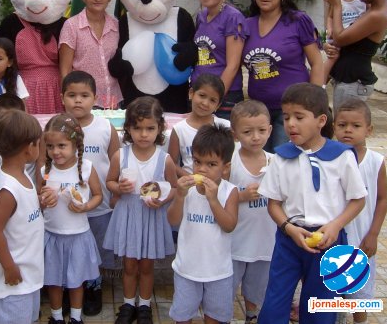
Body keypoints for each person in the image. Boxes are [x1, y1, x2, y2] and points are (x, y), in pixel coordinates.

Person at [257, 83, 367, 324]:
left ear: (321, 120)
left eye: (299, 117)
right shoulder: (281, 157)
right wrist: (288, 228)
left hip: (329, 242)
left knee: (320, 309)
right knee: (274, 304)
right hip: (289, 239)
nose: (290, 124)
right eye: (286, 117)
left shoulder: (342, 156)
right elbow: (273, 204)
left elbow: (358, 199)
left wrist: (336, 225)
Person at [104, 97, 176, 324]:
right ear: (127, 128)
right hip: (128, 215)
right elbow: (109, 181)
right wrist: (119, 188)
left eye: (150, 128)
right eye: (137, 128)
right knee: (129, 265)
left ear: (160, 128)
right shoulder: (121, 155)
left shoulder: (165, 159)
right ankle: (128, 304)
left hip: (151, 216)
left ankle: (144, 305)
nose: (143, 134)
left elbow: (174, 187)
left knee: (146, 266)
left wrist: (162, 200)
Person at [242, 0, 324, 152]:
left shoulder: (298, 21)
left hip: (292, 110)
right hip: (258, 111)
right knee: (259, 161)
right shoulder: (246, 25)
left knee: (283, 157)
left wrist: (316, 103)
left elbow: (317, 63)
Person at [60, 71, 120, 315]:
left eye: (84, 95)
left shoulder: (105, 127)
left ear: (95, 98)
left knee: (96, 249)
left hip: (99, 204)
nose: (78, 100)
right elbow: (45, 164)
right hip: (64, 208)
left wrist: (116, 192)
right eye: (71, 95)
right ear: (62, 97)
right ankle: (69, 288)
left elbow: (117, 161)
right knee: (68, 248)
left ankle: (94, 287)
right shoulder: (56, 127)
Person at [168, 124, 239, 324]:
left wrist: (213, 200)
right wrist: (179, 196)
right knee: (182, 317)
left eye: (211, 164)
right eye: (197, 161)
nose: (201, 169)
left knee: (215, 318)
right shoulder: (187, 190)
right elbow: (172, 220)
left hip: (218, 272)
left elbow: (229, 225)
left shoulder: (229, 192)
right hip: (186, 269)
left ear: (225, 168)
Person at [38, 114, 103, 324]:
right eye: (50, 146)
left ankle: (76, 317)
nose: (55, 151)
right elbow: (38, 200)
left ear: (76, 144)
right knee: (54, 281)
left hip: (78, 235)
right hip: (53, 235)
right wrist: (43, 201)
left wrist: (86, 206)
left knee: (77, 281)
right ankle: (56, 317)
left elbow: (98, 195)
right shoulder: (45, 171)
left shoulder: (86, 168)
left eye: (62, 146)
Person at [0, 110, 44, 324]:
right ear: (29, 148)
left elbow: (21, 213)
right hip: (13, 282)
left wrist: (40, 203)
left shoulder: (22, 175)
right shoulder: (8, 189)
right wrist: (9, 267)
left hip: (29, 275)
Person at [334, 99, 387, 324]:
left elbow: (383, 199)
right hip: (334, 240)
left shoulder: (375, 161)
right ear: (333, 127)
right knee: (334, 290)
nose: (348, 130)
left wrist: (373, 234)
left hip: (361, 241)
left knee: (359, 295)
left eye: (355, 126)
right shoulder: (329, 158)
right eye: (342, 125)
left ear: (369, 129)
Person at [228, 101, 275, 323]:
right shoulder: (229, 162)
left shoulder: (275, 162)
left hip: (265, 242)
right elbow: (217, 195)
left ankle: (251, 315)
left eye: (261, 130)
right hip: (234, 242)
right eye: (247, 132)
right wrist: (241, 196)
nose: (255, 137)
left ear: (270, 130)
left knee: (257, 288)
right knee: (226, 287)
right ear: (235, 134)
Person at [324, 0, 387, 110]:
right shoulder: (376, 8)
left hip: (353, 82)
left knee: (344, 123)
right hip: (349, 79)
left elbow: (339, 38)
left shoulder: (376, 15)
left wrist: (337, 6)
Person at [59, 0, 122, 109]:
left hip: (113, 101)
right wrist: (70, 102)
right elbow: (65, 70)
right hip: (83, 102)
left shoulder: (117, 25)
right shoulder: (71, 26)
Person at [192, 0, 248, 119]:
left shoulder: (233, 17)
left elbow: (233, 65)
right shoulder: (201, 16)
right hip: (200, 93)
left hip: (223, 96)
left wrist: (214, 97)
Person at [168, 73, 230, 177]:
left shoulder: (226, 126)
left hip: (218, 184)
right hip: (189, 184)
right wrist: (191, 179)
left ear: (218, 105)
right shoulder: (179, 129)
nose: (205, 103)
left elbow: (231, 162)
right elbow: (171, 163)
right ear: (191, 93)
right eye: (202, 96)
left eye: (212, 100)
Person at [322, 0, 366, 82]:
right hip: (338, 35)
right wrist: (329, 29)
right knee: (332, 58)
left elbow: (374, 11)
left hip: (353, 36)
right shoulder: (337, 1)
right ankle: (321, 84)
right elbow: (330, 17)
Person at [0, 94, 31, 182]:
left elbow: (44, 165)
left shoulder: (31, 143)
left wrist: (42, 184)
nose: (8, 127)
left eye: (14, 122)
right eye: (3, 121)